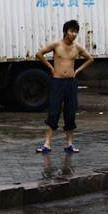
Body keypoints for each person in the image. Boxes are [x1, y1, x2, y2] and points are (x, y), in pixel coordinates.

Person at [35, 20, 93, 154]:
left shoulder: (77, 47)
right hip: (57, 82)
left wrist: (78, 70)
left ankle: (69, 144)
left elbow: (90, 58)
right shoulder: (57, 44)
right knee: (54, 111)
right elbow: (39, 54)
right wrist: (51, 68)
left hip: (70, 83)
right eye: (72, 31)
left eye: (76, 32)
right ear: (65, 31)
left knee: (70, 112)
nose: (74, 34)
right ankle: (47, 144)